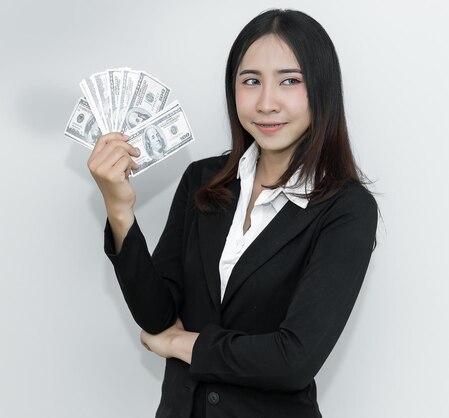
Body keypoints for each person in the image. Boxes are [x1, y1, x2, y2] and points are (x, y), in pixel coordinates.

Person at [87, 9, 378, 418]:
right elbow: (157, 315)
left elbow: (293, 360)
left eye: (290, 81)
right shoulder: (202, 181)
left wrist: (180, 345)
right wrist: (119, 209)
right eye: (251, 81)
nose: (266, 103)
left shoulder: (346, 210)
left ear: (322, 90)